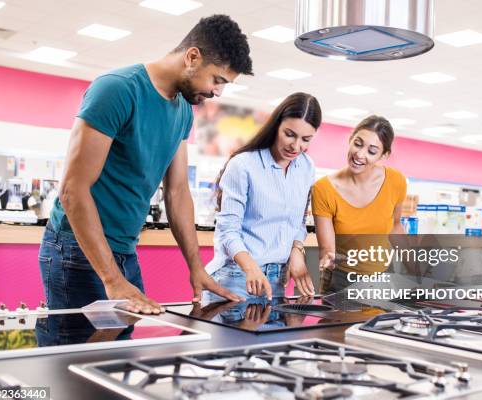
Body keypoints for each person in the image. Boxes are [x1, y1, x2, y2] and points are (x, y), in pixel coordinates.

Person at [38, 15, 253, 314]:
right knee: (74, 352)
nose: (218, 92)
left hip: (125, 251)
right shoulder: (117, 90)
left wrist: (196, 268)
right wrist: (112, 278)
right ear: (192, 57)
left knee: (118, 354)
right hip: (76, 248)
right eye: (217, 80)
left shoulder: (183, 112)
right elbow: (73, 190)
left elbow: (177, 192)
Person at [204, 92, 321, 302]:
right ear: (275, 126)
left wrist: (296, 249)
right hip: (236, 277)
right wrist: (251, 267)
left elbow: (298, 222)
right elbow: (227, 231)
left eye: (306, 139)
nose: (296, 146)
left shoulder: (306, 166)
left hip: (278, 281)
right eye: (290, 134)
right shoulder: (243, 165)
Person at [312, 115, 407, 294]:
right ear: (350, 140)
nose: (360, 154)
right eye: (358, 143)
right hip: (341, 279)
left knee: (382, 322)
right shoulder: (324, 188)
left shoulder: (396, 181)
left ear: (384, 155)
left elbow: (395, 225)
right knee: (342, 323)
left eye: (372, 151)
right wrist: (329, 258)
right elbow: (327, 249)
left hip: (383, 278)